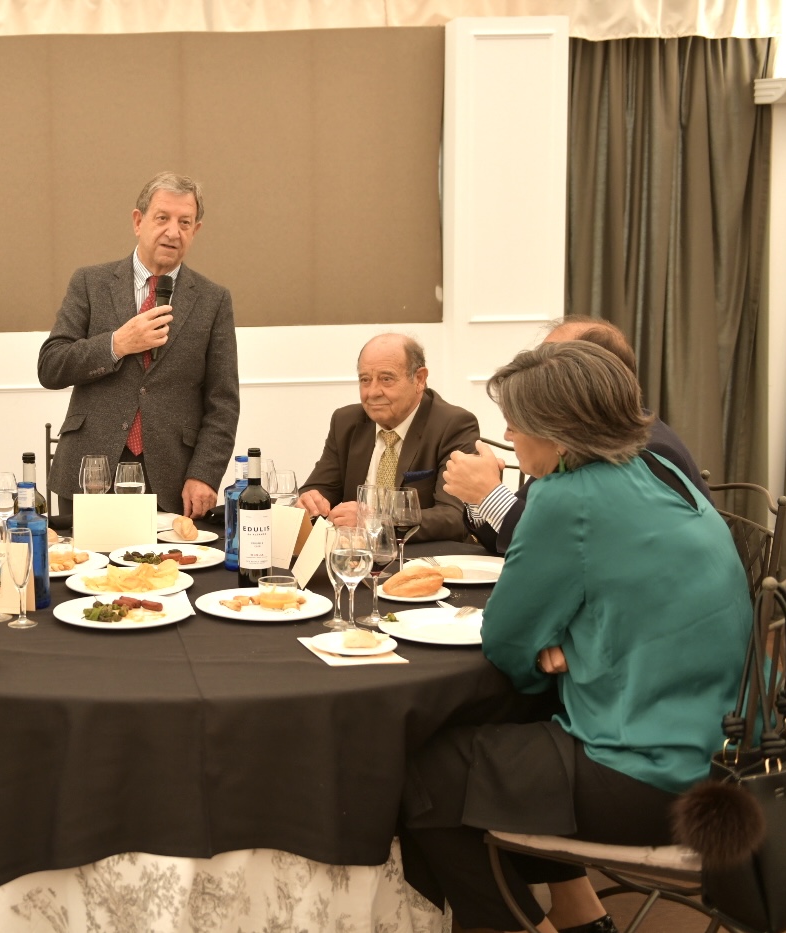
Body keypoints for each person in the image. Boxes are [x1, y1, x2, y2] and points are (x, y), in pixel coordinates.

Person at [399, 342, 751, 933]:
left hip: (653, 773)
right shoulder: (659, 467)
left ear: (559, 434)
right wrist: (568, 640)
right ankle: (575, 913)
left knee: (422, 773)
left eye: (515, 421)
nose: (506, 433)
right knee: (504, 741)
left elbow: (507, 644)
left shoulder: (567, 499)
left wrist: (546, 649)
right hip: (729, 748)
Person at [37, 171, 239, 518]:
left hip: (171, 479)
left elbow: (223, 402)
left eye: (185, 222)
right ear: (138, 221)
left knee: (166, 574)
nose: (173, 231)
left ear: (196, 230)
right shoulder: (90, 283)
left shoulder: (212, 300)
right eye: (162, 218)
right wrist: (117, 343)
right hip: (89, 473)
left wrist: (204, 474)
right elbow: (51, 366)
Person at [443, 316, 711, 555]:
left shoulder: (645, 452)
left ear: (592, 374)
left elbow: (570, 551)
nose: (536, 370)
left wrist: (490, 494)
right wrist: (479, 496)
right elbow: (510, 538)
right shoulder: (575, 444)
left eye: (553, 362)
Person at [296, 333, 479, 540]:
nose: (372, 392)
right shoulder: (345, 421)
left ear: (419, 379)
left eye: (386, 379)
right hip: (354, 557)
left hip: (420, 559)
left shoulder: (453, 424)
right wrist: (310, 499)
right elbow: (321, 487)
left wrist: (375, 521)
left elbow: (453, 517)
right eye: (365, 380)